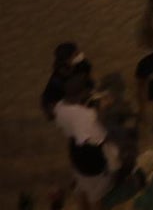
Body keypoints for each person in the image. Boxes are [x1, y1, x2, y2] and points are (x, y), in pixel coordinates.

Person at [56, 77, 119, 210]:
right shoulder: (88, 115)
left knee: (81, 187)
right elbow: (103, 136)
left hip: (74, 151)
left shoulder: (59, 107)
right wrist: (103, 109)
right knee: (96, 196)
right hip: (92, 160)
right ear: (82, 94)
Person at [41, 42, 94, 120]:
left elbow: (86, 78)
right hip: (63, 103)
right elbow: (66, 99)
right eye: (75, 54)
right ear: (67, 60)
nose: (80, 55)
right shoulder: (58, 79)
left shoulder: (82, 64)